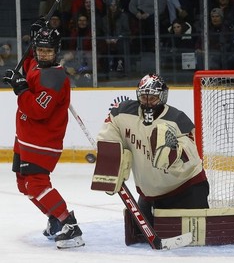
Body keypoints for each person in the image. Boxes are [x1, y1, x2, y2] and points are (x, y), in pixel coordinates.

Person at [96, 73, 209, 245]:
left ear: (162, 97)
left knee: (199, 238)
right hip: (150, 195)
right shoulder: (122, 113)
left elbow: (191, 158)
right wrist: (110, 167)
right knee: (138, 238)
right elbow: (109, 134)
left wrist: (172, 156)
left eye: (153, 98)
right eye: (144, 97)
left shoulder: (178, 120)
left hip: (186, 190)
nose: (148, 101)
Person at [1, 24, 85, 249]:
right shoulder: (37, 64)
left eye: (48, 51)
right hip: (25, 138)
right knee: (24, 184)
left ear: (56, 51)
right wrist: (36, 34)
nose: (43, 54)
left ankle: (69, 224)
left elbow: (38, 110)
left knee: (36, 184)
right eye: (40, 50)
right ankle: (56, 219)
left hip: (42, 142)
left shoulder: (55, 78)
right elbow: (29, 62)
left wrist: (21, 89)